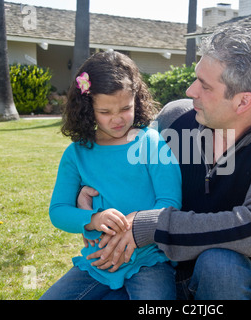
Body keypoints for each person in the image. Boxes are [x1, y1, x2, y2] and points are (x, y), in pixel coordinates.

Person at [78, 26, 251, 300]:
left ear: (243, 101)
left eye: (205, 85)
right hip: (152, 270)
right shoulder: (175, 118)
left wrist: (151, 226)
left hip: (225, 283)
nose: (191, 91)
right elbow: (126, 161)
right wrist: (86, 192)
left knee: (219, 264)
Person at [40, 51, 182, 300]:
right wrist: (93, 219)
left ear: (136, 100)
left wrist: (134, 227)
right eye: (105, 112)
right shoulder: (77, 154)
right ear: (87, 108)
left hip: (149, 262)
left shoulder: (151, 142)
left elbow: (170, 203)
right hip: (98, 263)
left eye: (125, 108)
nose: (117, 119)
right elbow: (58, 210)